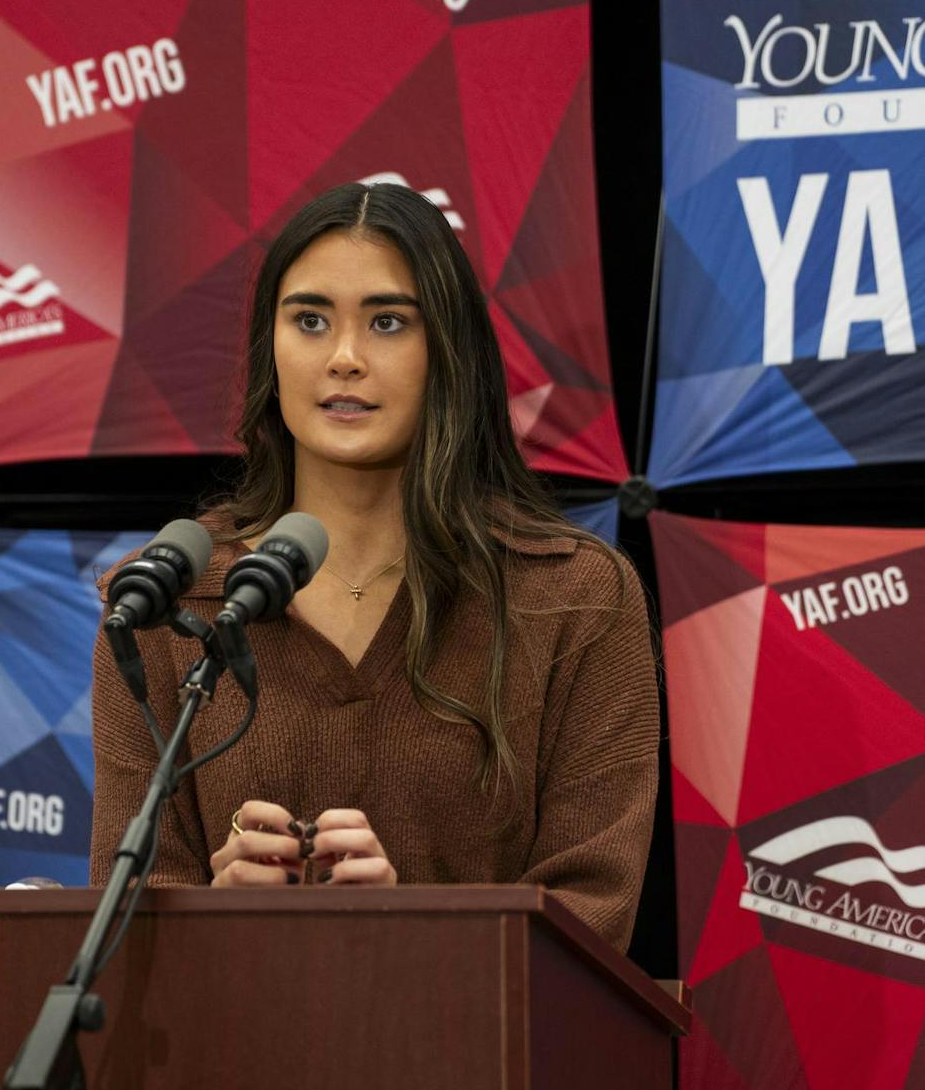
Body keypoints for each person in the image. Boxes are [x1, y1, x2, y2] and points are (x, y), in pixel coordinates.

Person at [90, 182, 658, 952]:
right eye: (311, 321)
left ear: (448, 351)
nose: (345, 359)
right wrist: (212, 914)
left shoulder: (574, 595)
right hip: (224, 1059)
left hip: (473, 1065)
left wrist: (410, 928)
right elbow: (125, 916)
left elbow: (596, 919)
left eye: (387, 323)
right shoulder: (166, 597)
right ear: (272, 348)